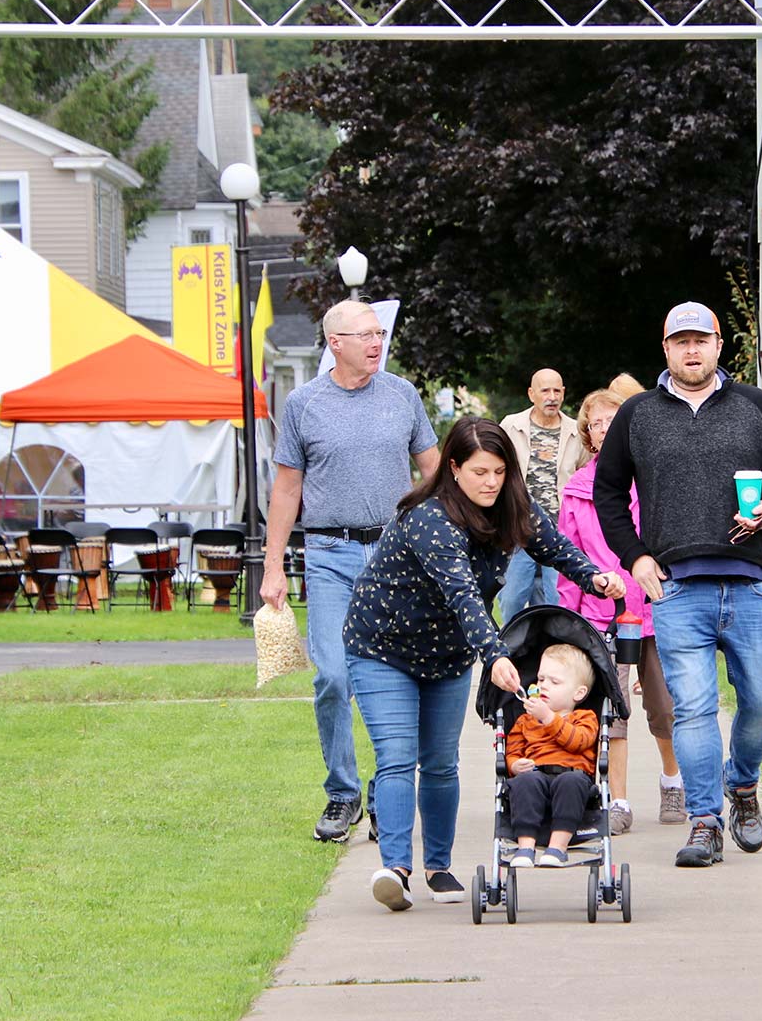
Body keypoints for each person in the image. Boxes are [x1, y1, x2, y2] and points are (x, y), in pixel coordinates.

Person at [344, 417, 624, 911]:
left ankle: (438, 866)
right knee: (396, 755)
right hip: (383, 647)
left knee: (439, 761)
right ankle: (396, 869)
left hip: (447, 652)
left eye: (498, 471)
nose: (491, 482)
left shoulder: (513, 508)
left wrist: (594, 578)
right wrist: (494, 653)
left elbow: (555, 547)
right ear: (453, 469)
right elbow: (464, 596)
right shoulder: (431, 518)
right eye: (479, 472)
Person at [593, 301, 762, 868]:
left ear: (719, 346)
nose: (691, 350)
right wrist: (635, 557)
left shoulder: (756, 407)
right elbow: (609, 494)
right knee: (691, 710)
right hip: (677, 589)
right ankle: (705, 822)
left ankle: (741, 785)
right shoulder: (637, 414)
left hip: (750, 584)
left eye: (701, 340)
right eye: (680, 341)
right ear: (664, 349)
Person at [261, 299, 441, 845]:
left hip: (395, 556)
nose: (376, 342)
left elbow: (433, 472)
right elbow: (287, 488)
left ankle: (389, 795)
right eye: (364, 334)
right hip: (330, 555)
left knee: (401, 679)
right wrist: (273, 568)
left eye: (379, 333)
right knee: (334, 677)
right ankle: (343, 794)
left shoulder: (403, 395)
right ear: (334, 342)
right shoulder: (303, 404)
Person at [557, 384, 682, 834]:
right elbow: (566, 557)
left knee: (664, 707)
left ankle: (672, 780)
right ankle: (619, 801)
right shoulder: (576, 490)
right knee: (613, 712)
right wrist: (567, 621)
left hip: (654, 608)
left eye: (615, 420)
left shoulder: (651, 480)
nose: (606, 429)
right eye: (597, 423)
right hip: (599, 615)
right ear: (588, 435)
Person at [498, 368, 586, 623]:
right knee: (512, 599)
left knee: (557, 601)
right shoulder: (511, 426)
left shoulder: (575, 431)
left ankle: (549, 656)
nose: (552, 396)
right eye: (545, 390)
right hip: (518, 529)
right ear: (531, 394)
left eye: (557, 390)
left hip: (559, 532)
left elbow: (583, 475)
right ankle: (510, 656)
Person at [504, 643, 600, 868]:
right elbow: (513, 752)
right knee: (524, 781)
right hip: (536, 773)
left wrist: (548, 718)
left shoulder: (585, 718)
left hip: (572, 775)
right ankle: (525, 847)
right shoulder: (525, 721)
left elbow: (578, 741)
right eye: (541, 679)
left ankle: (558, 847)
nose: (544, 685)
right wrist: (515, 765)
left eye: (554, 682)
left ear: (579, 692)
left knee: (571, 781)